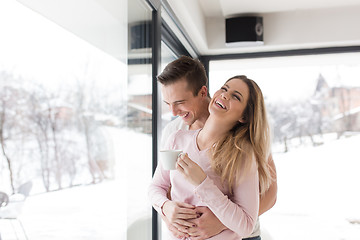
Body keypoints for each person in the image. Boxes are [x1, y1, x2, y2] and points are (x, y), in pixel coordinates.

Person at [153, 56, 277, 239]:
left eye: (180, 102)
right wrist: (167, 214)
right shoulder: (174, 132)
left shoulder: (244, 140)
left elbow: (270, 194)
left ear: (203, 92)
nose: (173, 112)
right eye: (168, 104)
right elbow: (164, 186)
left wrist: (219, 221)